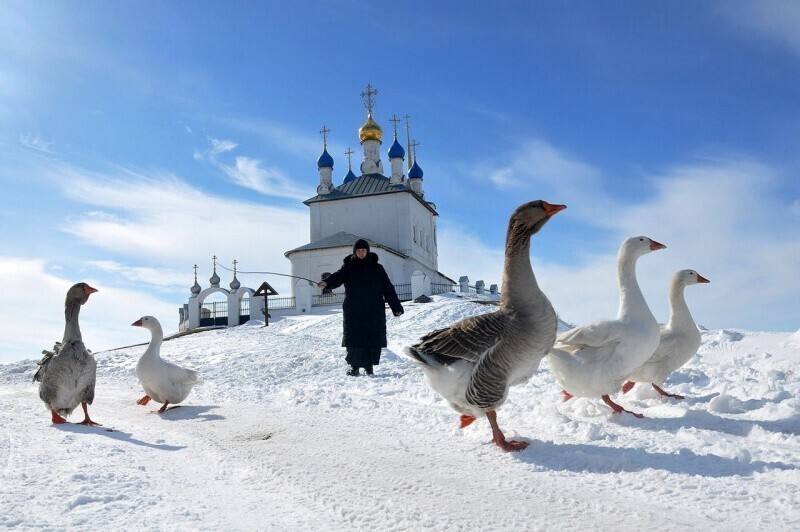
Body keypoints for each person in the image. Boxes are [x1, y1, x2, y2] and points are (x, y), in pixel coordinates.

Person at [317, 239, 404, 376]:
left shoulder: (377, 268)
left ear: (367, 251)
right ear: (354, 252)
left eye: (363, 250)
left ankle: (369, 366)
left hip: (373, 309)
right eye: (358, 251)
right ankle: (354, 366)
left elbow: (388, 288)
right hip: (354, 310)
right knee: (354, 339)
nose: (361, 253)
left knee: (372, 338)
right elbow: (338, 277)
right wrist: (326, 283)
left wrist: (396, 307)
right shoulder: (349, 267)